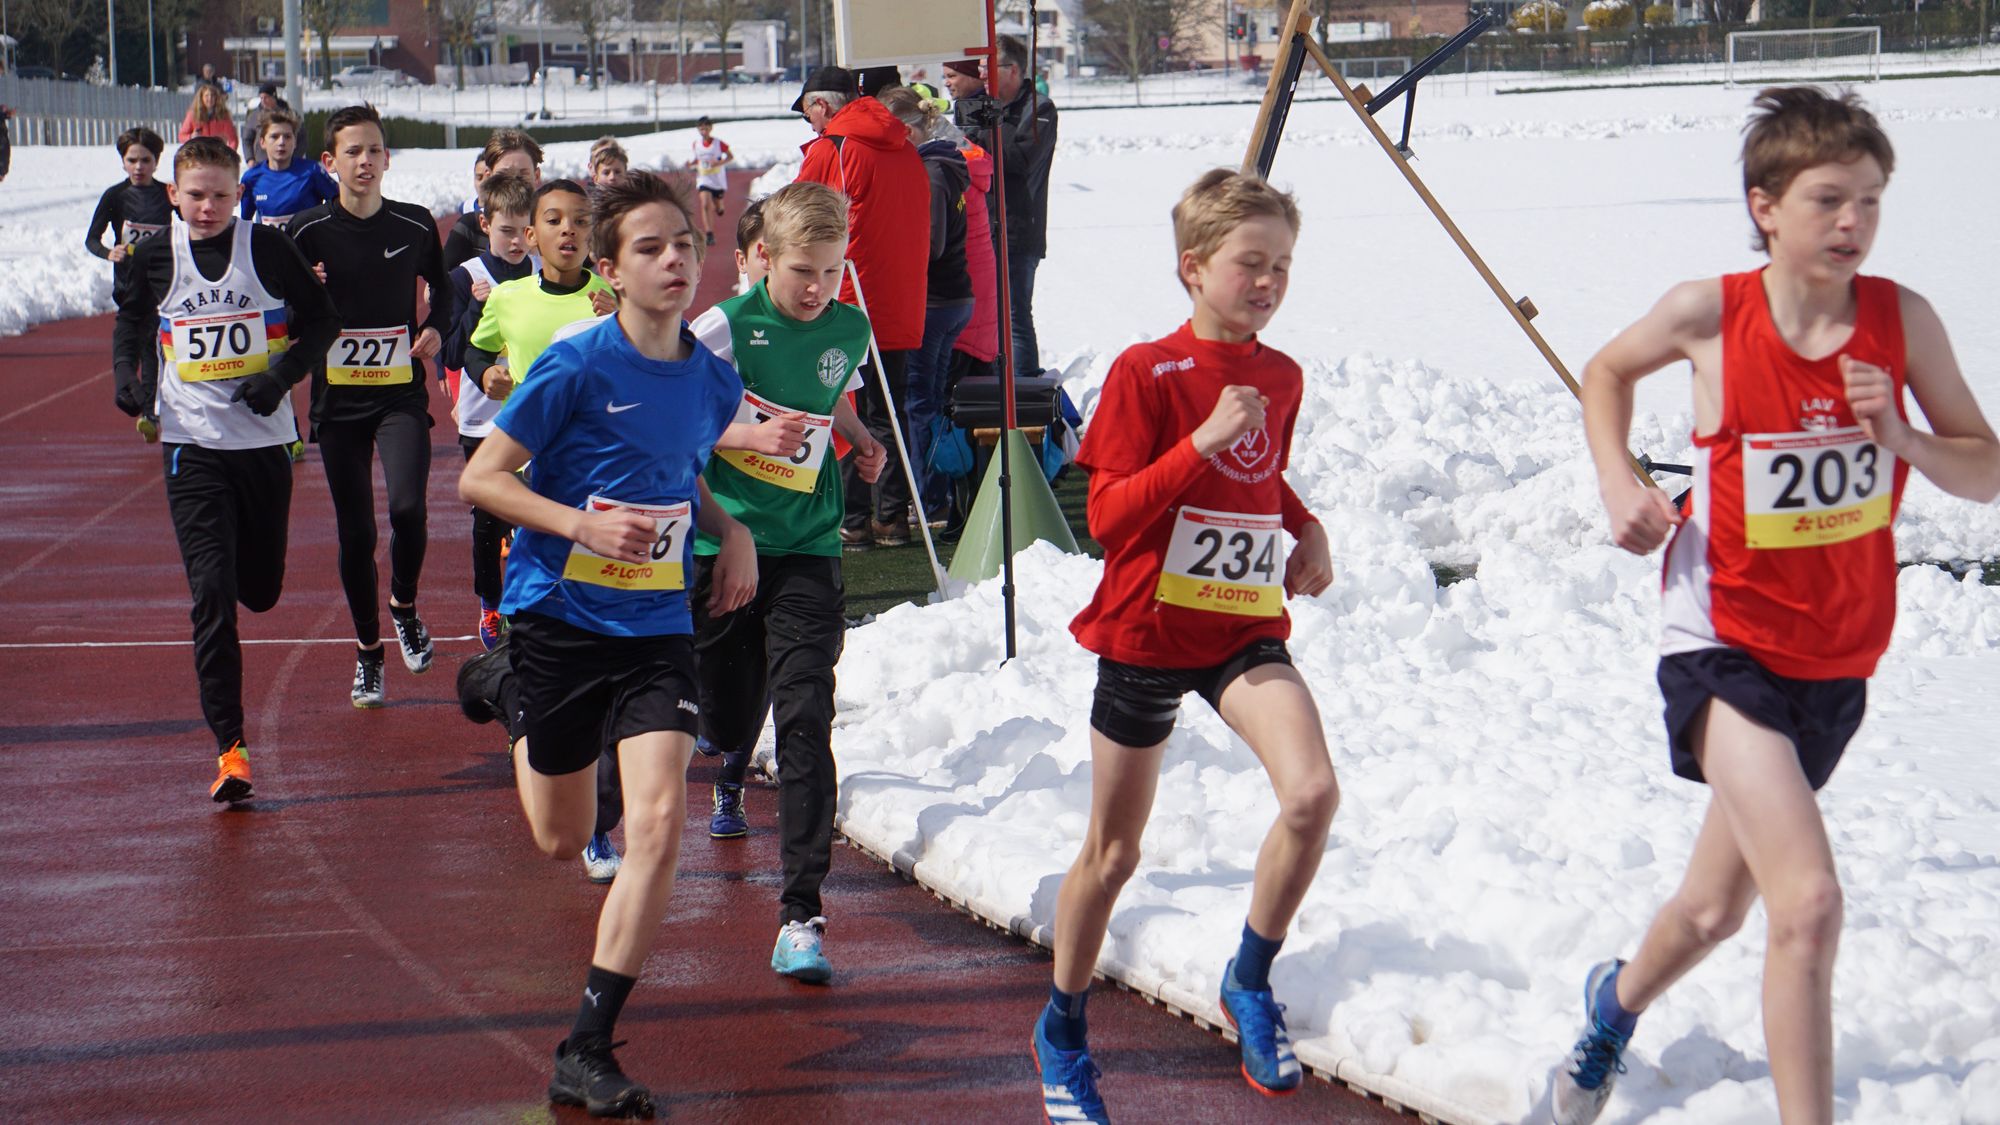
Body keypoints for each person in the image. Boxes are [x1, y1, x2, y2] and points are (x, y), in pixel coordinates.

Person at [1548, 87, 2000, 1125]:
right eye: (1828, 200)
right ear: (1764, 206)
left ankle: (1610, 1008)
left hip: (1835, 658)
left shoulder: (1900, 321)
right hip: (1720, 640)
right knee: (1808, 903)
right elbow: (1606, 370)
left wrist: (1907, 441)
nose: (1853, 222)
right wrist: (1617, 481)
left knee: (1713, 908)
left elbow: (1985, 469)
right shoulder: (1710, 314)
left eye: (1870, 201)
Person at [1032, 169, 1336, 1124]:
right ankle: (1062, 1028)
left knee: (1312, 793)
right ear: (1193, 268)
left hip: (1240, 626)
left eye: (1282, 264)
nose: (1269, 281)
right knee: (1114, 852)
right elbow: (1108, 517)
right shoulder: (1145, 371)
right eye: (1251, 263)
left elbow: (1260, 477)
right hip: (1146, 631)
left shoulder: (1281, 377)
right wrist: (1201, 439)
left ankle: (1249, 978)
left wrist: (1306, 524)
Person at [457, 169, 757, 1120]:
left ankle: (585, 1046)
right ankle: (506, 687)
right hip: (559, 616)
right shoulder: (576, 366)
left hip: (656, 627)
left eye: (684, 245)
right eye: (649, 248)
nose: (674, 261)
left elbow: (683, 472)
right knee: (560, 837)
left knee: (659, 822)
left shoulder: (713, 378)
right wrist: (580, 525)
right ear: (610, 270)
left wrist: (731, 528)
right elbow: (482, 479)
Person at [687, 183, 885, 975]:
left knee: (806, 715)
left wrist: (860, 437)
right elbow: (675, 416)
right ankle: (725, 755)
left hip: (808, 543)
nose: (818, 289)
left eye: (833, 272)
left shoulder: (849, 327)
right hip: (725, 543)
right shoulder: (724, 327)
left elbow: (830, 397)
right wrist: (749, 435)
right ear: (763, 257)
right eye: (804, 271)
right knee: (726, 715)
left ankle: (802, 912)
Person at [109, 135, 339, 802]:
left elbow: (324, 321)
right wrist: (127, 376)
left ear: (239, 194)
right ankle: (230, 750)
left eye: (219, 195)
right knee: (210, 593)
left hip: (263, 443)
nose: (207, 208)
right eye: (195, 196)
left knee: (259, 590)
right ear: (172, 195)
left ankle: (242, 566)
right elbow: (131, 322)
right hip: (192, 445)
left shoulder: (266, 248)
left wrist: (280, 378)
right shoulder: (156, 256)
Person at [287, 104, 452, 708]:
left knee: (408, 509)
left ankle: (403, 604)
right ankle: (368, 651)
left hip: (399, 393)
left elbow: (445, 292)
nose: (365, 161)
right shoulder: (305, 231)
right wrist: (304, 288)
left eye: (374, 150)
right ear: (330, 162)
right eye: (353, 152)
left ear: (387, 159)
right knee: (356, 534)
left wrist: (435, 326)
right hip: (338, 404)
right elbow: (284, 314)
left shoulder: (414, 224)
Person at [792, 65, 929, 550]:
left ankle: (852, 518)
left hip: (847, 300)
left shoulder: (834, 148)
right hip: (900, 300)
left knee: (843, 407)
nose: (809, 123)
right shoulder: (904, 148)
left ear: (822, 105)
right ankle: (891, 516)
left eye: (808, 113)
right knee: (888, 412)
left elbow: (795, 221)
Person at [441, 171, 538, 653]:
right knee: (488, 518)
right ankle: (490, 602)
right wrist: (477, 310)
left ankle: (526, 604)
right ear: (485, 225)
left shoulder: (543, 273)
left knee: (532, 514)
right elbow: (451, 352)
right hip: (483, 417)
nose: (517, 242)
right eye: (506, 231)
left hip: (535, 416)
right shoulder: (467, 277)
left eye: (525, 231)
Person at [877, 86, 972, 527]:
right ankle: (936, 494)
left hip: (935, 301)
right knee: (928, 400)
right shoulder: (944, 167)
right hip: (951, 298)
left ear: (909, 132)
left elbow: (930, 246)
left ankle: (930, 498)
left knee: (919, 402)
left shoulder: (931, 173)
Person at [990, 35, 1057, 380]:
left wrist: (988, 125)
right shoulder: (990, 107)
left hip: (1019, 230)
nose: (984, 76)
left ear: (1013, 70)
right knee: (991, 316)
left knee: (1015, 315)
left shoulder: (1039, 108)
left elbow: (1019, 160)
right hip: (988, 226)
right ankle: (998, 385)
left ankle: (1025, 387)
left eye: (991, 67)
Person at [445, 128, 544, 270]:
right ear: (489, 176)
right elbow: (438, 282)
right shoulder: (470, 227)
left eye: (523, 175)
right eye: (504, 175)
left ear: (537, 176)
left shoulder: (551, 226)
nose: (514, 182)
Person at [239, 110, 338, 227]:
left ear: (295, 142)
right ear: (262, 142)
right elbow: (245, 223)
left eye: (287, 137)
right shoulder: (251, 178)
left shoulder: (312, 171)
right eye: (274, 137)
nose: (281, 142)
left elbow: (340, 205)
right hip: (269, 239)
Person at [684, 117, 732, 248]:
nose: (703, 132)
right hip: (703, 178)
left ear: (710, 128)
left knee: (718, 207)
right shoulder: (696, 144)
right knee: (705, 204)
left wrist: (719, 163)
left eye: (706, 129)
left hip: (717, 179)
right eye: (701, 129)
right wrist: (690, 164)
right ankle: (709, 234)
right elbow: (697, 159)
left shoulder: (718, 144)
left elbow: (730, 156)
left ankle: (719, 207)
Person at [241, 81, 293, 163]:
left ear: (274, 97)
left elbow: (301, 137)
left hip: (285, 162)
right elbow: (247, 139)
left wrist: (294, 156)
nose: (263, 101)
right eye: (261, 98)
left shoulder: (288, 115)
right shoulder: (254, 117)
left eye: (266, 97)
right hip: (261, 161)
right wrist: (250, 158)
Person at [180, 82, 238, 148]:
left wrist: (229, 153)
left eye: (212, 95)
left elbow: (233, 140)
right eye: (206, 96)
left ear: (216, 98)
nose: (210, 98)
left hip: (217, 152)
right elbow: (182, 136)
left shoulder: (223, 115)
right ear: (201, 98)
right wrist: (191, 137)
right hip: (200, 152)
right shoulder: (193, 115)